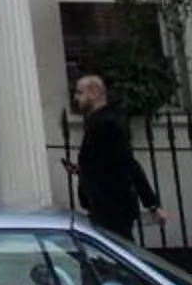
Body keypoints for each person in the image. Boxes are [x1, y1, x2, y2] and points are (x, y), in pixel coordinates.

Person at [66, 72, 163, 243]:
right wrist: (82, 170)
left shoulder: (107, 123)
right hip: (104, 205)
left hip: (112, 206)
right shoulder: (97, 122)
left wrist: (151, 204)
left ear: (95, 93)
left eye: (80, 93)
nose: (75, 98)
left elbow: (127, 163)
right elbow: (104, 163)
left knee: (118, 253)